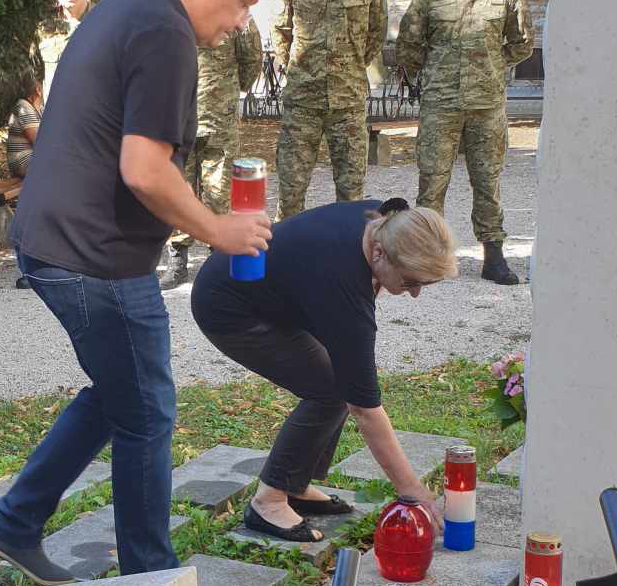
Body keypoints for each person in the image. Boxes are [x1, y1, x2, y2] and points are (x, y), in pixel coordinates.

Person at [0, 0, 274, 586]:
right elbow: (144, 170)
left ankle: (16, 522)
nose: (235, 27)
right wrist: (219, 231)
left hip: (59, 242)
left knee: (120, 394)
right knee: (146, 411)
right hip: (95, 255)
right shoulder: (166, 33)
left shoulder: (124, 6)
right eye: (237, 7)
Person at [191, 199, 455, 541]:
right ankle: (268, 501)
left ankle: (294, 485)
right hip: (228, 307)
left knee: (336, 383)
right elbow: (364, 407)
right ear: (378, 253)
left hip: (273, 294)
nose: (416, 293)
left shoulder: (388, 222)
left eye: (425, 284)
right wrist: (412, 491)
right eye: (409, 281)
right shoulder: (343, 285)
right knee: (331, 391)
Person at [395, 0, 534, 286]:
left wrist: (491, 64)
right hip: (441, 104)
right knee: (432, 181)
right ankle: (427, 255)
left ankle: (493, 256)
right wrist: (437, 70)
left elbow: (522, 43)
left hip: (487, 106)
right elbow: (408, 45)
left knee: (488, 181)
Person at [274, 0, 387, 218]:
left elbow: (377, 32)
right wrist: (299, 67)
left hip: (348, 102)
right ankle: (287, 258)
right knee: (291, 190)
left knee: (351, 195)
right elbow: (281, 31)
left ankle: (346, 261)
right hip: (302, 102)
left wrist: (349, 66)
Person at [161, 17, 263, 291]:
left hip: (219, 119)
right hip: (179, 119)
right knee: (179, 190)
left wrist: (228, 90)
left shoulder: (232, 13)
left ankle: (217, 256)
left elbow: (252, 58)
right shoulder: (170, 12)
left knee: (219, 193)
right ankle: (177, 256)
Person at [36, 0, 92, 100]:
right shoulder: (44, 29)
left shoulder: (104, 22)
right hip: (55, 117)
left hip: (93, 118)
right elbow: (36, 74)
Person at [6, 75, 43, 179]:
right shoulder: (24, 106)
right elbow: (39, 141)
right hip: (21, 161)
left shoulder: (39, 109)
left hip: (31, 158)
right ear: (38, 90)